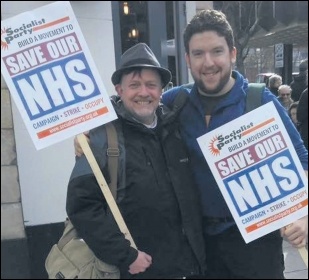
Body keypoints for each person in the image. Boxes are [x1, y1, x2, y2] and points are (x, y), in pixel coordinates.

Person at [161, 9, 308, 279]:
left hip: (257, 244)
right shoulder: (176, 101)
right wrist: (94, 132)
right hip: (200, 245)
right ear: (187, 59)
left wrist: (303, 217)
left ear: (232, 53)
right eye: (198, 54)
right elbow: (136, 109)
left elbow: (302, 159)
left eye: (216, 51)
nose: (208, 62)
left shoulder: (259, 100)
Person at [68, 42, 206, 279]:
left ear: (162, 90)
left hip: (187, 268)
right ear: (119, 90)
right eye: (134, 85)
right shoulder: (101, 138)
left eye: (151, 85)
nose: (144, 92)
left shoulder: (175, 129)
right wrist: (124, 256)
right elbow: (82, 207)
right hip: (136, 271)